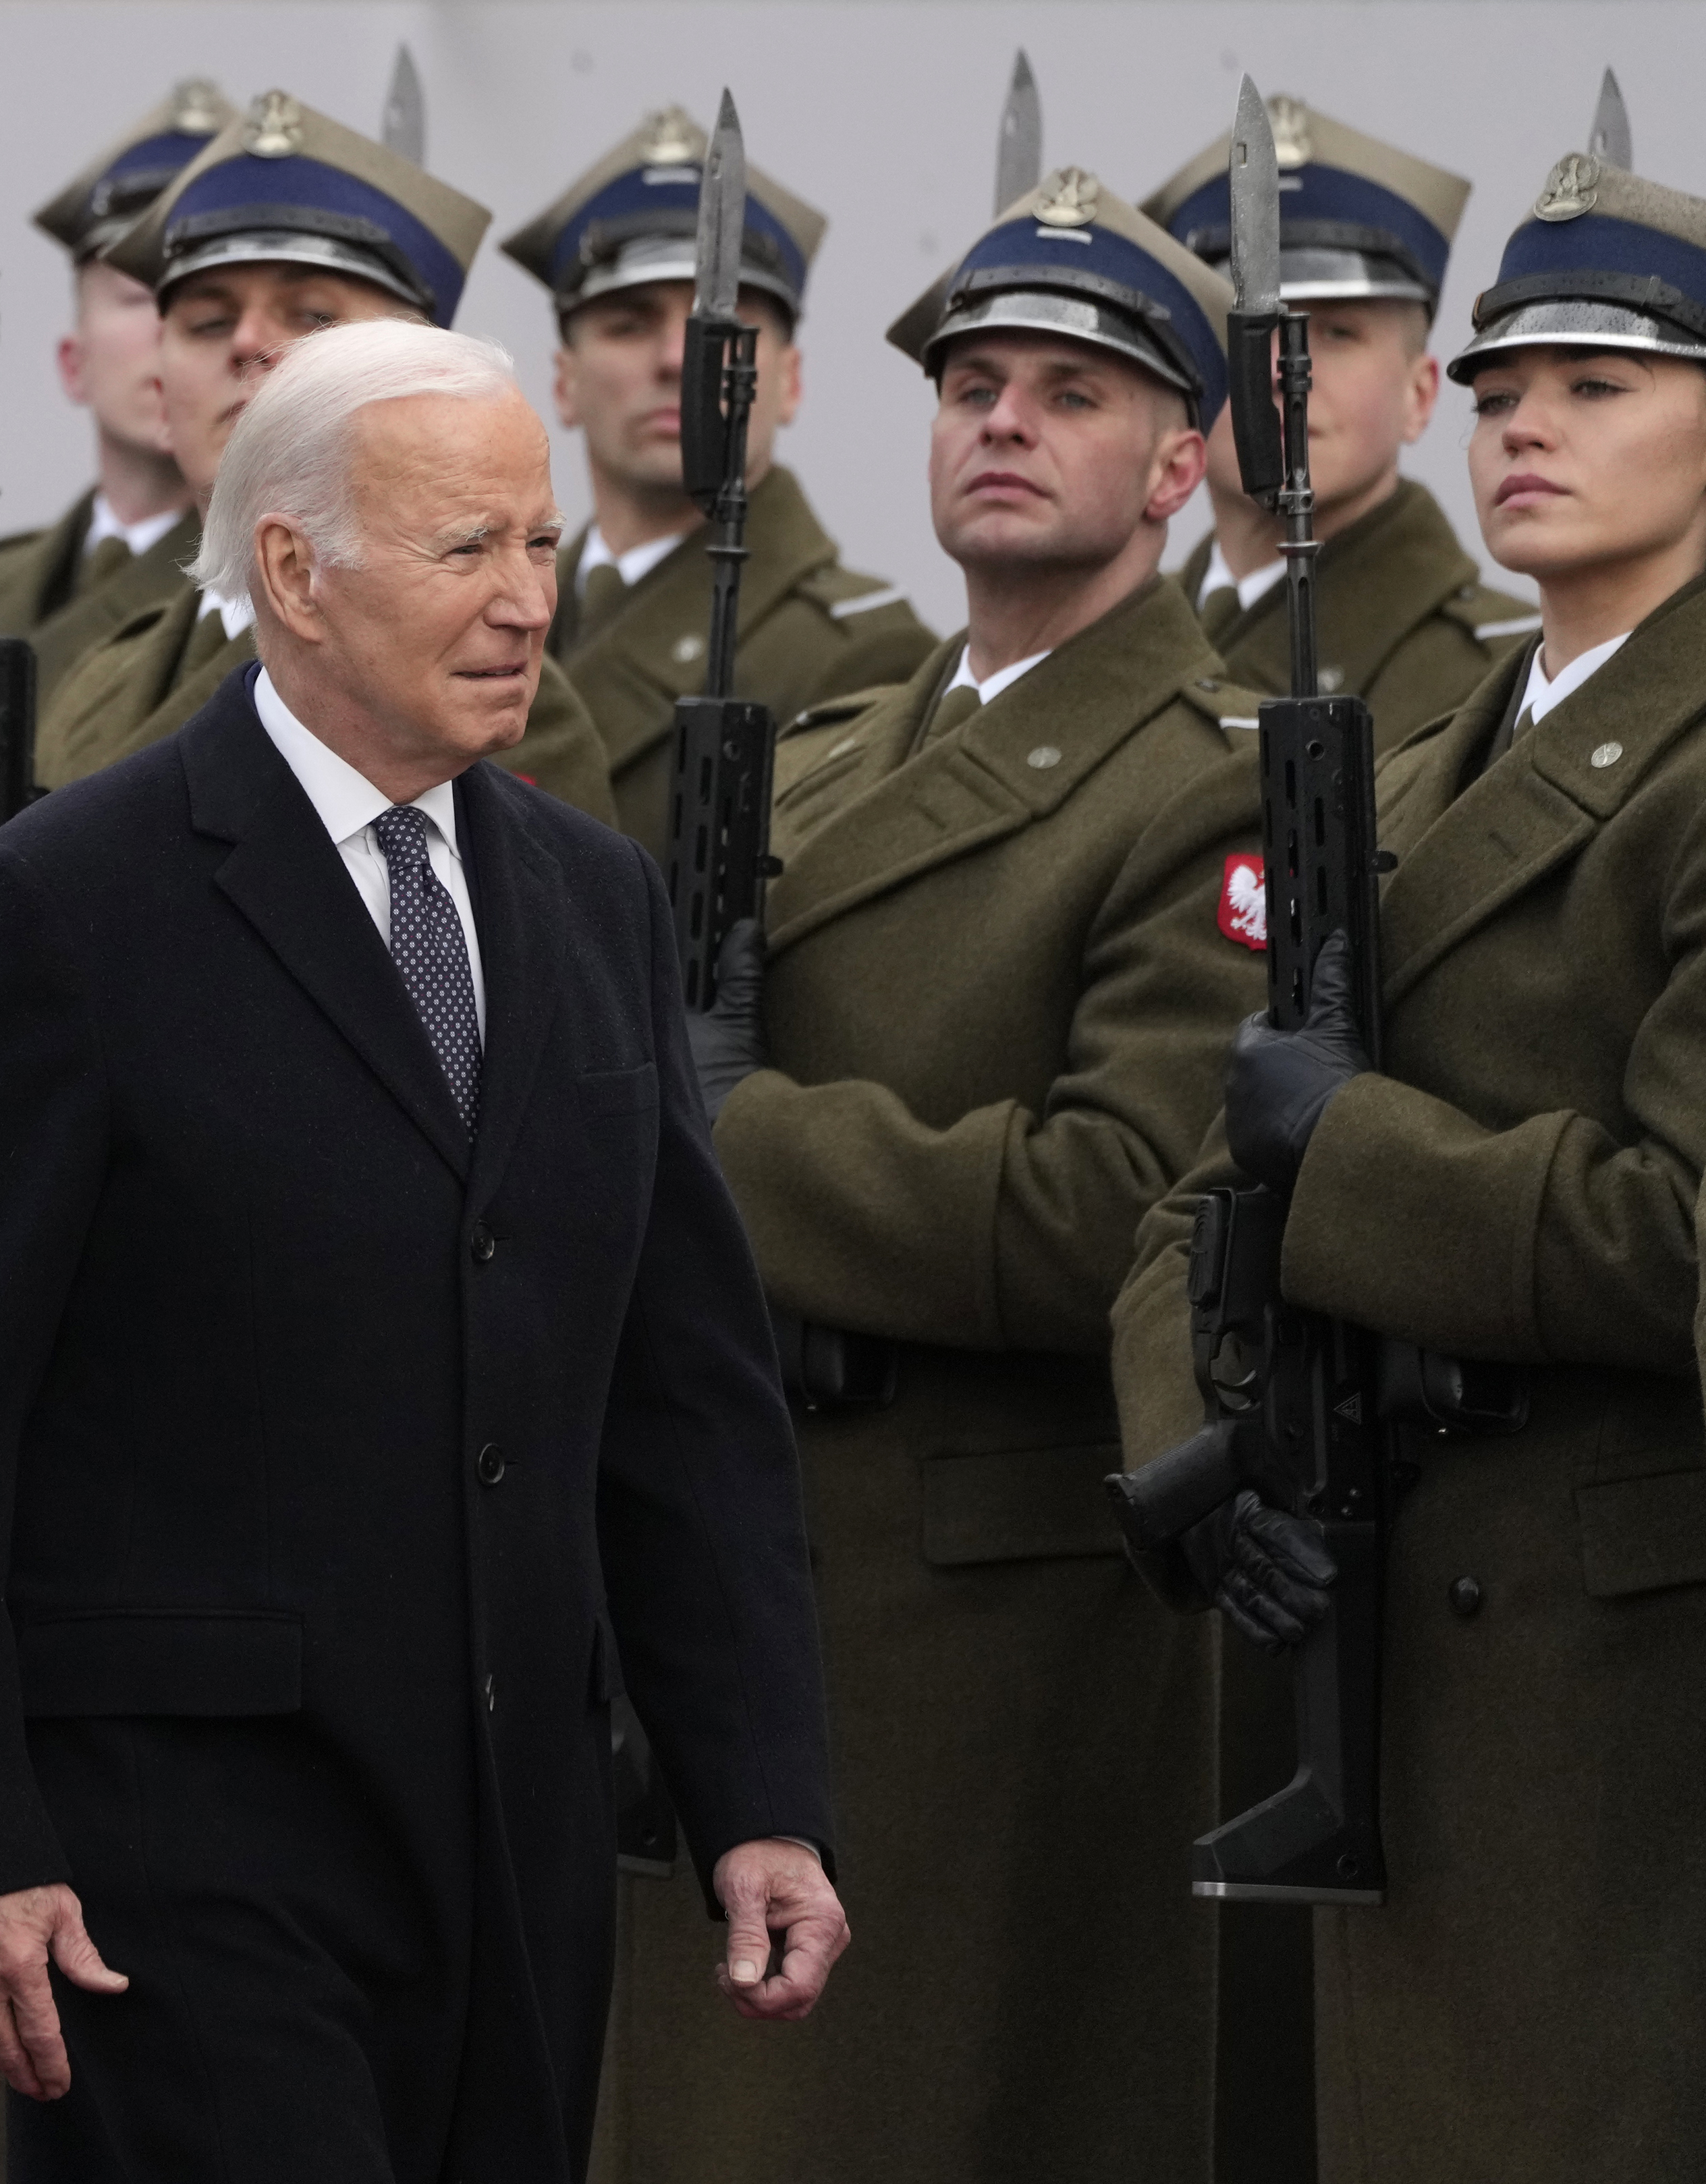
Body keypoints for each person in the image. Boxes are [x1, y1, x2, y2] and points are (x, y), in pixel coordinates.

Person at [0, 316, 841, 2184]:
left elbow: (679, 1389)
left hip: (508, 1830)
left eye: (536, 544)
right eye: (460, 550)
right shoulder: (62, 908)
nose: (521, 603)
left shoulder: (587, 897)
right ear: (292, 576)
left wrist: (757, 1791)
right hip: (176, 1845)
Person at [609, 163, 1270, 2184]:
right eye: (970, 382)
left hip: (983, 1612)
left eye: (1068, 393)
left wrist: (735, 1132)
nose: (1000, 419)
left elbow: (1115, 1200)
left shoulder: (1207, 769)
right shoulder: (815, 753)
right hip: (741, 1562)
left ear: (1177, 463)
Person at [1114, 148, 1706, 2184]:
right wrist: (1191, 1436)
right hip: (1394, 1649)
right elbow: (1215, 1169)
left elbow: (1679, 1234)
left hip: (1609, 1681)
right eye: (1504, 383)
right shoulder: (1446, 726)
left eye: (1600, 383)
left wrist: (1355, 1153)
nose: (1524, 423)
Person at [33, 91, 619, 827]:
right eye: (207, 321)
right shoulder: (107, 674)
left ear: (418, 363)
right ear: (159, 376)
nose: (248, 345)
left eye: (311, 317)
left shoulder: (483, 688)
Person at [501, 105, 935, 860]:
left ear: (790, 382)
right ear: (562, 383)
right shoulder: (501, 607)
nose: (677, 359)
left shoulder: (860, 655)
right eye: (629, 324)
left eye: (719, 329)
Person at [1145, 94, 1533, 741]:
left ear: (1420, 396)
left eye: (1337, 333)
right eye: (1248, 331)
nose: (1281, 369)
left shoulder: (1505, 678)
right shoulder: (1112, 642)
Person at [0, 80, 229, 681]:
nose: (171, 334)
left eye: (209, 312)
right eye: (140, 297)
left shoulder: (273, 608)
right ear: (74, 364)